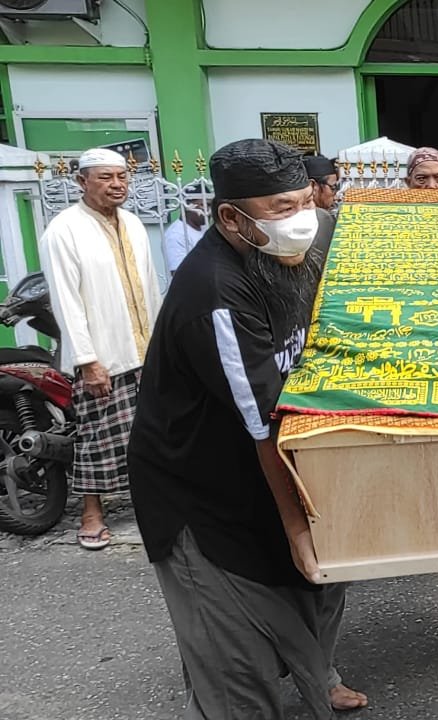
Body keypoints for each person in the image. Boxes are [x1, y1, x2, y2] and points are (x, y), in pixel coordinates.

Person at [127, 138, 367, 719]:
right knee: (236, 668)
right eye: (282, 209)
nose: (302, 220)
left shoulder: (305, 245)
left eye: (307, 201)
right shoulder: (216, 291)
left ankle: (318, 675)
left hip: (271, 468)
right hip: (200, 496)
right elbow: (264, 425)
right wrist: (300, 529)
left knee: (320, 588)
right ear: (231, 217)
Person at [39, 147, 162, 550]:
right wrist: (88, 361)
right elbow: (65, 301)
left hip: (144, 349)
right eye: (105, 178)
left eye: (121, 177)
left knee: (151, 435)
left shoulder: (134, 224)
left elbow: (150, 285)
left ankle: (152, 507)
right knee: (97, 439)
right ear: (81, 182)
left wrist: (164, 342)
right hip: (102, 357)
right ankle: (92, 512)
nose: (116, 185)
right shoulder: (64, 230)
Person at [163, 179, 212, 274]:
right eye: (203, 205)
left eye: (209, 205)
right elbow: (179, 273)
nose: (208, 211)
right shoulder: (175, 235)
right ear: (188, 205)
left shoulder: (204, 226)